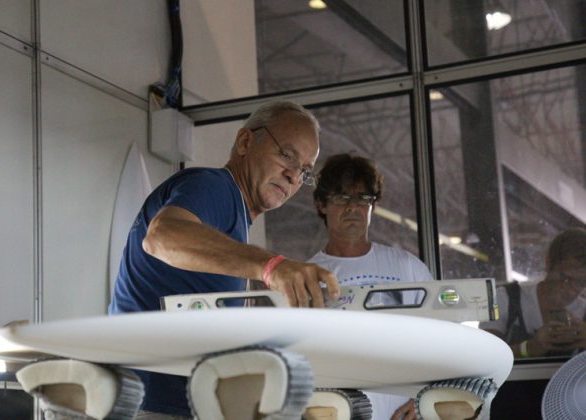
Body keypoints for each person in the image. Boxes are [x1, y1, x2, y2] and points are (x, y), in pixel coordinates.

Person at [109, 100, 341, 418]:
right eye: (287, 155)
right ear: (245, 142)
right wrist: (272, 266)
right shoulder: (214, 186)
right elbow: (162, 237)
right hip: (150, 403)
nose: (292, 176)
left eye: (304, 170)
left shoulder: (234, 222)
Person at [309, 153, 434, 420]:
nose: (353, 207)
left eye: (363, 198)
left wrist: (427, 395)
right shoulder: (308, 276)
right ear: (321, 204)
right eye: (342, 197)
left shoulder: (406, 267)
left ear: (373, 206)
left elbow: (442, 338)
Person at [481, 227, 586, 359]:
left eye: (582, 283)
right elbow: (484, 356)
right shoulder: (503, 298)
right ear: (548, 263)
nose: (571, 290)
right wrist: (529, 348)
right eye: (565, 278)